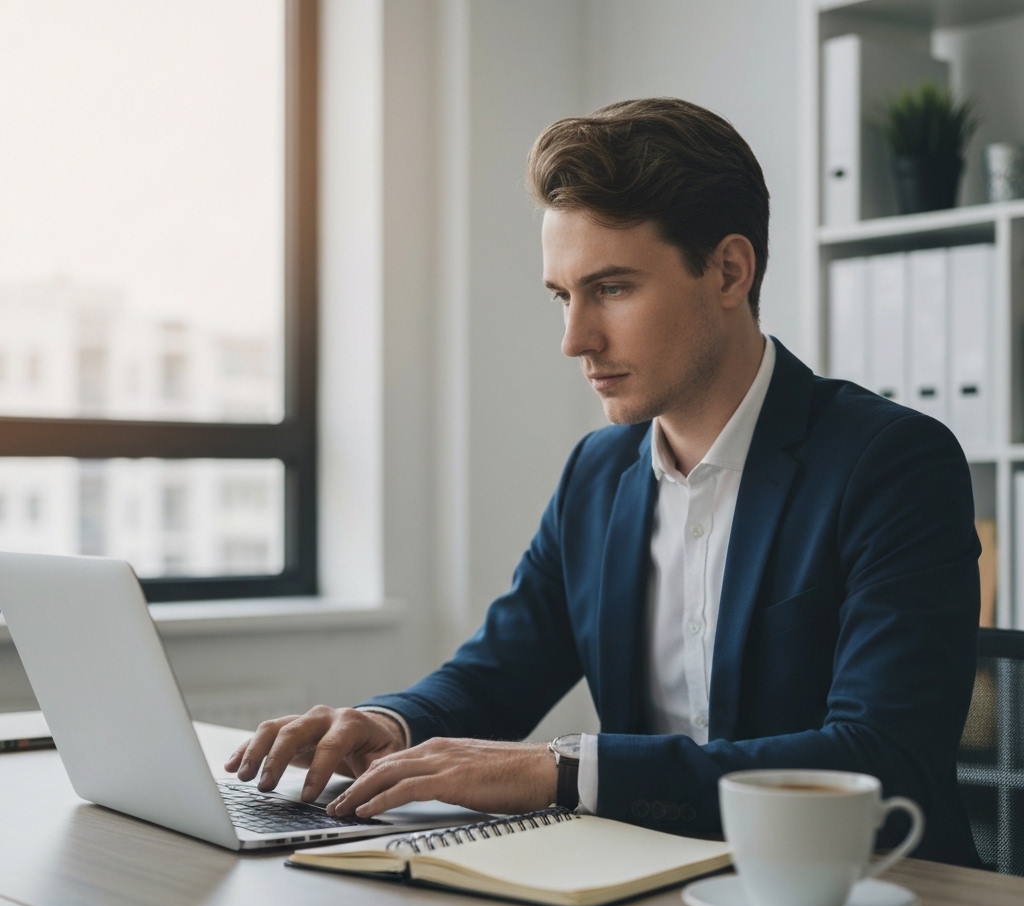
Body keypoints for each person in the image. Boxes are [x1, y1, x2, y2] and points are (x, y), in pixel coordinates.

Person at [226, 98, 981, 866]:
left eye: (612, 289)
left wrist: (564, 772)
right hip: (655, 897)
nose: (575, 339)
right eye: (563, 295)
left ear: (728, 270)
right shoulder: (598, 472)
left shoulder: (891, 463)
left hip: (868, 904)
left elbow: (883, 758)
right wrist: (388, 722)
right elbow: (499, 671)